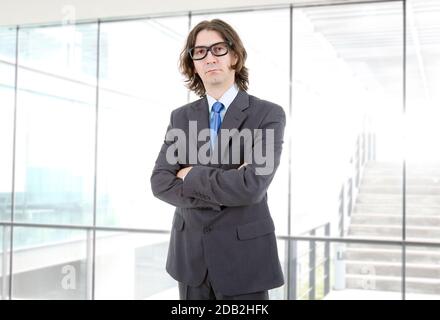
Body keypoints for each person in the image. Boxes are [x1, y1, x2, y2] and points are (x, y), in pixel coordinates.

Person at [150, 19, 286, 300]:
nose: (209, 57)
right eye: (199, 52)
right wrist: (228, 183)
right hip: (190, 261)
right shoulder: (181, 117)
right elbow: (160, 182)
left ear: (235, 56)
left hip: (244, 261)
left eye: (218, 49)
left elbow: (253, 185)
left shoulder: (267, 114)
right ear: (193, 63)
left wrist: (190, 175)